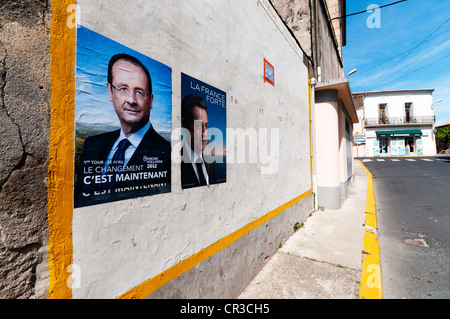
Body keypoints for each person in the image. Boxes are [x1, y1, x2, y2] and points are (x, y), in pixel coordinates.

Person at [74, 53, 171, 207]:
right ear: (110, 91)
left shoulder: (168, 153)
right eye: (123, 88)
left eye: (139, 92)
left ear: (150, 101)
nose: (131, 100)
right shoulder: (91, 145)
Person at [181, 94, 216, 189]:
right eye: (199, 125)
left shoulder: (210, 164)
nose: (204, 132)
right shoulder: (175, 164)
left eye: (206, 126)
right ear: (185, 125)